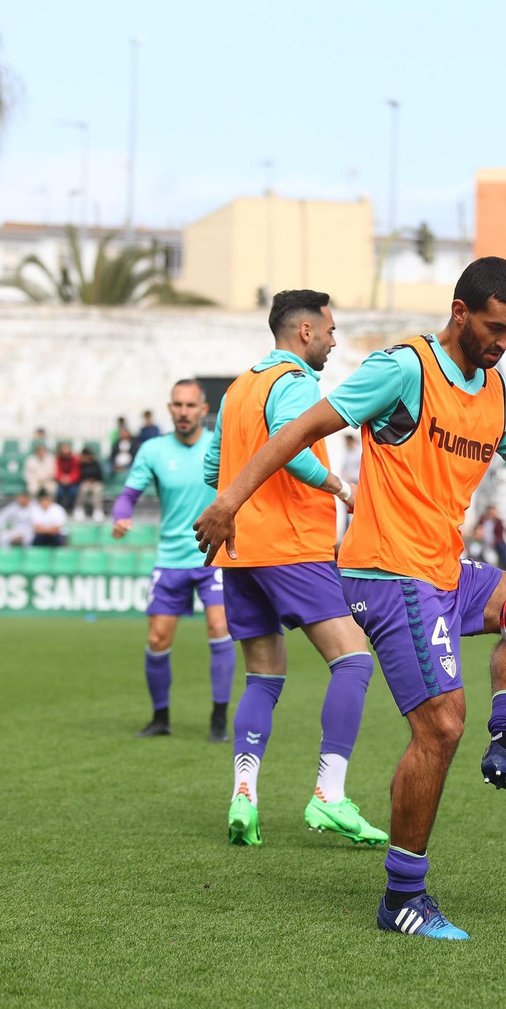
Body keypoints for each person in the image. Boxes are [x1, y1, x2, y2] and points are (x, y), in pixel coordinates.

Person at [192, 257, 506, 940]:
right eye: (494, 327)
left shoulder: (500, 397)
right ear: (460, 312)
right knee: (440, 724)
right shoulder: (404, 369)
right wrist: (229, 498)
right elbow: (302, 430)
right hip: (385, 572)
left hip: (443, 570)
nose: (503, 342)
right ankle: (403, 896)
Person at [198, 289, 383, 845]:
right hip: (294, 547)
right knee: (353, 661)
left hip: (242, 553)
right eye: (330, 330)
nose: (334, 339)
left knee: (263, 676)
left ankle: (244, 795)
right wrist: (340, 486)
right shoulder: (297, 381)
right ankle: (330, 794)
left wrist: (244, 509)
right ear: (304, 331)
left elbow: (214, 468)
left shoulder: (237, 388)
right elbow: (291, 444)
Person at [113, 382, 238, 745]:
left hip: (211, 555)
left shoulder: (220, 444)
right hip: (170, 558)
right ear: (170, 408)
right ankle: (160, 717)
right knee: (157, 638)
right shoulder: (152, 450)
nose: (184, 411)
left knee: (219, 628)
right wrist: (121, 517)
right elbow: (128, 495)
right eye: (178, 405)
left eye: (191, 405)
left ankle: (218, 717)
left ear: (203, 409)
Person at [76, 446, 105, 521]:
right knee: (83, 489)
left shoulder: (95, 463)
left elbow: (100, 476)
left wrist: (93, 479)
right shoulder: (80, 465)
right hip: (85, 483)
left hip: (95, 483)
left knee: (97, 490)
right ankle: (79, 509)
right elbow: (79, 475)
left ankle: (97, 510)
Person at [53, 442, 81, 512]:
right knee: (59, 492)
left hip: (72, 481)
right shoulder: (58, 459)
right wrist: (61, 478)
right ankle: (59, 509)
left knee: (74, 492)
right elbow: (57, 470)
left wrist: (70, 478)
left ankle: (71, 508)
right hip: (61, 481)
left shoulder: (75, 459)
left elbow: (76, 471)